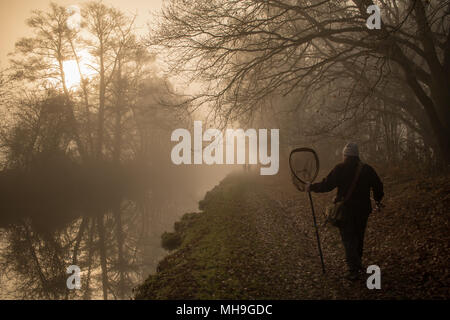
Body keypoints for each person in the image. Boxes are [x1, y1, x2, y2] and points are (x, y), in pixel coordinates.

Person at [306, 142, 384, 280]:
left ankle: (353, 269)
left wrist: (311, 187)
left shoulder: (340, 168)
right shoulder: (367, 169)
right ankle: (357, 264)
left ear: (345, 155)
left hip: (346, 210)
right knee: (359, 237)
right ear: (357, 155)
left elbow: (327, 185)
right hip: (363, 210)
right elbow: (378, 186)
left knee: (348, 239)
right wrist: (378, 199)